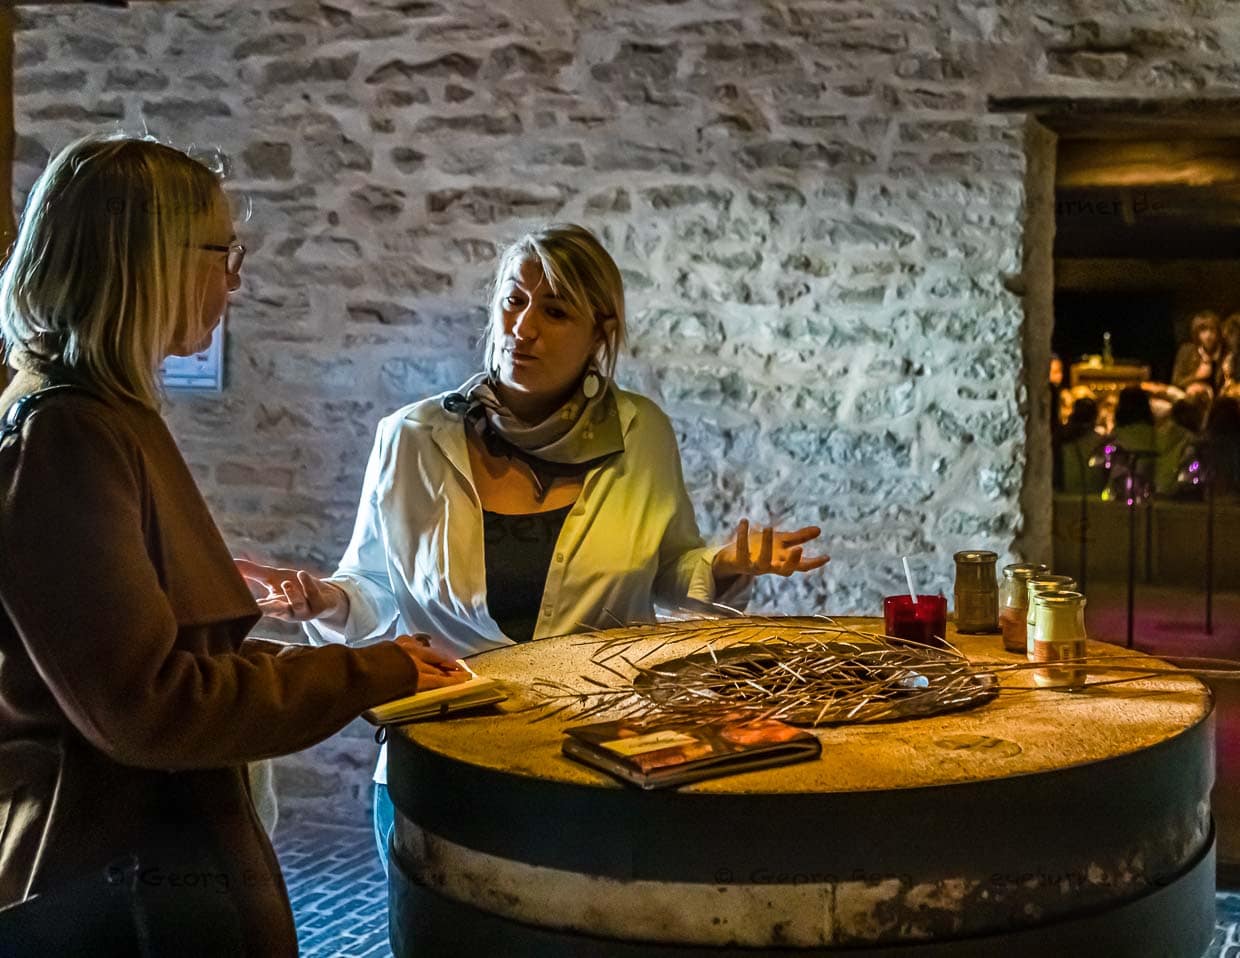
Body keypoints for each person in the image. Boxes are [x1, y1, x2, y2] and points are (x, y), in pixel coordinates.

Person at [239, 224, 829, 871]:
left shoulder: (641, 436)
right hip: (445, 759)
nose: (523, 328)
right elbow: (373, 586)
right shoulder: (410, 438)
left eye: (555, 311)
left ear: (599, 334)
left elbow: (669, 571)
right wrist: (323, 599)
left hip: (602, 764)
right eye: (514, 301)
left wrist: (724, 566)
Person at [0, 135, 466, 956]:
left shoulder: (102, 413)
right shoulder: (67, 433)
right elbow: (146, 705)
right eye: (223, 251)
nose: (236, 277)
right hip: (117, 883)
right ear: (149, 259)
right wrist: (368, 670)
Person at [1055, 396, 1105, 495]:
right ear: (1095, 417)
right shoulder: (1101, 441)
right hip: (1095, 498)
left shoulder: (1062, 438)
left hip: (1066, 498)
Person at [1172, 310, 1222, 391]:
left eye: (1212, 330)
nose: (1208, 335)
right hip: (1191, 397)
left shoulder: (1224, 353)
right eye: (1203, 330)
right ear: (1196, 332)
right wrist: (1197, 376)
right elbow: (1176, 382)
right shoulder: (1186, 351)